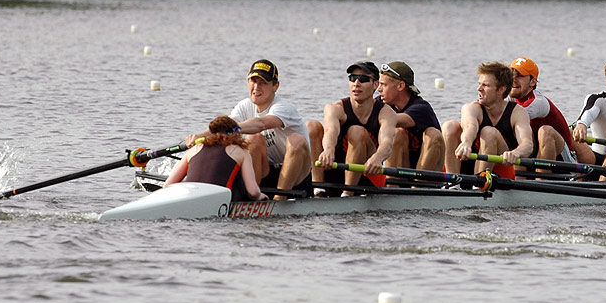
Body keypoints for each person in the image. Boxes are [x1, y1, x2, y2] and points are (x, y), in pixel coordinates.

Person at [188, 59, 312, 192]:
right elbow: (224, 125)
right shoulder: (244, 105)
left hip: (297, 174)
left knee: (295, 140)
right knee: (254, 140)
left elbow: (262, 123)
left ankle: (280, 196)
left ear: (275, 86)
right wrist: (199, 136)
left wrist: (234, 130)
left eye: (263, 83)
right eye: (253, 81)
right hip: (267, 170)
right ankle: (252, 196)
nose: (256, 87)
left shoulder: (284, 107)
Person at [308, 61, 397, 195]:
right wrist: (328, 149)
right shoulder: (335, 108)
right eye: (352, 78)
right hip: (333, 168)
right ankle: (318, 188)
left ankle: (348, 193)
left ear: (375, 85)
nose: (356, 83)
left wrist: (378, 157)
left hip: (366, 174)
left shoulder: (386, 113)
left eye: (363, 79)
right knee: (311, 126)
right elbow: (330, 131)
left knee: (356, 131)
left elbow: (387, 143)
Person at [442, 61, 534, 174]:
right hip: (468, 166)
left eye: (485, 85)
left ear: (501, 89)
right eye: (479, 84)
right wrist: (466, 142)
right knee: (449, 126)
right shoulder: (472, 108)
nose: (479, 89)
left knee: (489, 132)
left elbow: (527, 144)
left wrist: (516, 153)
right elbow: (470, 127)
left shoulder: (517, 112)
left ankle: (479, 184)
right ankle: (453, 183)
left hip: (502, 171)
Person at [165, 115, 267, 201]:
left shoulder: (193, 149)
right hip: (219, 202)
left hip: (189, 199)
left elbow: (167, 185)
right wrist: (262, 196)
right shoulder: (241, 152)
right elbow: (253, 192)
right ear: (235, 133)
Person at [377, 61, 444, 170]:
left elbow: (395, 119)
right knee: (398, 133)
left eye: (384, 85)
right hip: (402, 168)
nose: (379, 89)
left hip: (428, 171)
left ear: (400, 86)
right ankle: (393, 183)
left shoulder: (421, 108)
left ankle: (418, 185)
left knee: (432, 133)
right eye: (378, 84)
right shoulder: (382, 103)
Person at [508, 56, 576, 163]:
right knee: (518, 132)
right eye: (511, 75)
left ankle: (540, 177)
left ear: (532, 82)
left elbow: (508, 117)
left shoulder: (539, 102)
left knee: (545, 131)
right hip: (535, 150)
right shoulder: (510, 98)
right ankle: (519, 176)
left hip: (564, 158)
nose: (513, 80)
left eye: (520, 76)